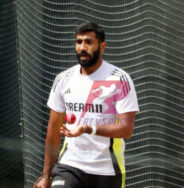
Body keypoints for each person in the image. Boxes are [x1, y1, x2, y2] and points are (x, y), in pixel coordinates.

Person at [33, 22, 139, 188]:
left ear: (102, 46)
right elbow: (54, 128)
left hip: (107, 170)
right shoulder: (63, 79)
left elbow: (126, 129)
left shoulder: (119, 79)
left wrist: (89, 128)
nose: (82, 47)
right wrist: (46, 175)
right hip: (70, 166)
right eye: (79, 42)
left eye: (89, 42)